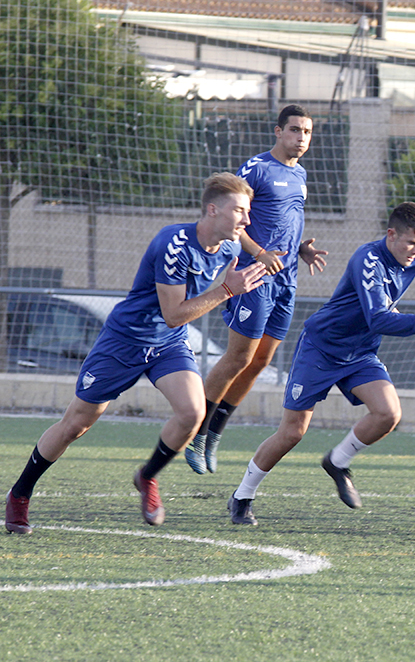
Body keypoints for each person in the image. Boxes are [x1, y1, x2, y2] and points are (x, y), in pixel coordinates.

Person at [4, 173, 267, 533]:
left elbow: (242, 245)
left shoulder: (229, 246)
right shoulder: (173, 244)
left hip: (168, 344)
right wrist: (226, 290)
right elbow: (174, 313)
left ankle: (147, 477)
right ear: (212, 210)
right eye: (240, 211)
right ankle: (20, 493)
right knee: (75, 425)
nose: (246, 220)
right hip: (125, 340)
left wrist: (269, 254)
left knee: (193, 413)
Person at [226, 202, 415, 526]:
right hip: (321, 348)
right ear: (391, 235)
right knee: (293, 432)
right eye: (410, 243)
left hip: (360, 353)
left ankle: (337, 461)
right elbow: (378, 319)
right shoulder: (368, 260)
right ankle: (242, 496)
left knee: (388, 414)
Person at [185, 104, 328, 475]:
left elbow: (281, 223)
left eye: (307, 132)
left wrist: (300, 249)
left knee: (261, 361)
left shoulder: (300, 175)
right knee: (238, 358)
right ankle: (195, 433)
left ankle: (214, 432)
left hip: (286, 278)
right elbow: (238, 220)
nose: (301, 138)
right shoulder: (257, 169)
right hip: (253, 277)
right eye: (295, 130)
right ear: (278, 132)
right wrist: (260, 254)